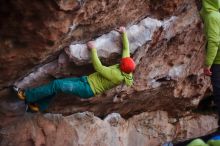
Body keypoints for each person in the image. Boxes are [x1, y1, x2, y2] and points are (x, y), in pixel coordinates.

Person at [13, 26, 136, 112]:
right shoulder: (127, 67)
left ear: (122, 67)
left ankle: (26, 96)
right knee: (58, 86)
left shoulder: (117, 75)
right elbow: (126, 49)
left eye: (121, 62)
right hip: (86, 81)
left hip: (87, 88)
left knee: (57, 84)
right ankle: (39, 106)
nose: (121, 60)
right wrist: (123, 33)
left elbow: (99, 67)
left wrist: (93, 50)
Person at [201, 0, 220, 127]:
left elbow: (214, 41)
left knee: (219, 95)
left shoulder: (212, 17)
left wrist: (208, 64)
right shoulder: (217, 15)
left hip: (218, 63)